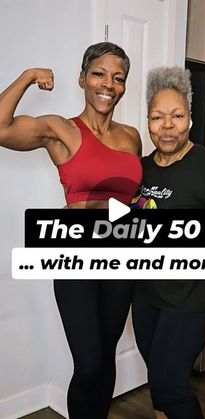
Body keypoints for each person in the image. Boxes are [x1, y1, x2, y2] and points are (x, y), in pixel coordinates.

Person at [0, 42, 142, 419]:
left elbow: (135, 198)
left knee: (106, 355)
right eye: (98, 73)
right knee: (90, 362)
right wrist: (29, 76)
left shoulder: (131, 136)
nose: (108, 84)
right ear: (82, 78)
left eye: (118, 78)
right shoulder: (60, 129)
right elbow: (0, 127)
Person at [131, 67, 205, 419]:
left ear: (190, 118)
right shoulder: (141, 169)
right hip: (147, 297)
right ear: (148, 121)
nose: (167, 125)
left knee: (169, 385)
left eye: (177, 116)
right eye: (158, 117)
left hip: (191, 298)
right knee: (160, 381)